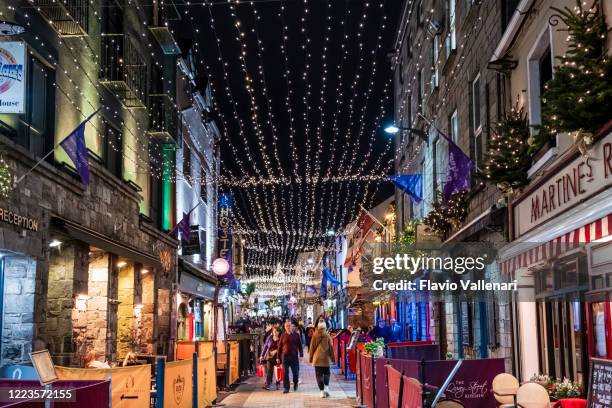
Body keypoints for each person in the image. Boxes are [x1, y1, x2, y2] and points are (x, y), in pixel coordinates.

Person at [309, 321, 335, 398]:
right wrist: (333, 358)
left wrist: (310, 359)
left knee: (318, 375)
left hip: (317, 358)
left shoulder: (315, 335)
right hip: (326, 358)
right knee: (327, 373)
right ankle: (326, 387)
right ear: (325, 327)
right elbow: (331, 347)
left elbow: (312, 348)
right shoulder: (327, 335)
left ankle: (321, 391)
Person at [279, 320, 303, 393]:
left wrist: (301, 354)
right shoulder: (283, 335)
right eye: (286, 326)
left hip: (294, 356)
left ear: (292, 326)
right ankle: (286, 388)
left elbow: (300, 345)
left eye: (289, 326)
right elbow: (279, 346)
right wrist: (278, 357)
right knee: (285, 373)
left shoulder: (296, 335)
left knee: (295, 373)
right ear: (285, 327)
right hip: (285, 356)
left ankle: (295, 383)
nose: (288, 327)